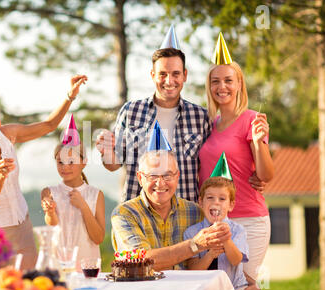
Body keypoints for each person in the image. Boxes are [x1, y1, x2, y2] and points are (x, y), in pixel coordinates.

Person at [95, 27, 264, 204]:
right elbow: (113, 164)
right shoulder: (131, 112)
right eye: (162, 74)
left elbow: (218, 156)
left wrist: (253, 175)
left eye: (176, 74)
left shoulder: (200, 117)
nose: (169, 81)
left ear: (185, 75)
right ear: (153, 76)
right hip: (138, 215)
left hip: (186, 216)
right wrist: (106, 151)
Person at [0, 75, 87, 270]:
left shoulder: (6, 134)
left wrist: (70, 96)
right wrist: (0, 177)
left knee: (30, 285)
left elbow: (49, 125)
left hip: (22, 225)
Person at [199, 33, 274, 290]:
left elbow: (266, 174)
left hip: (249, 219)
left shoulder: (252, 120)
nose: (222, 86)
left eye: (229, 80)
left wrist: (259, 142)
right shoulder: (208, 124)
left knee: (243, 289)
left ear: (239, 83)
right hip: (216, 221)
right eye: (215, 81)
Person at [111, 149, 231, 271]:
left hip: (189, 288)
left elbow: (224, 258)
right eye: (153, 176)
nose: (160, 183)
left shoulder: (195, 212)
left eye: (167, 175)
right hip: (145, 289)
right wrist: (195, 245)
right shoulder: (125, 214)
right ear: (140, 178)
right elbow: (141, 261)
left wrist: (249, 283)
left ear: (177, 177)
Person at [40, 133, 105, 272]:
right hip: (58, 265)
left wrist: (84, 207)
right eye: (60, 162)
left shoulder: (96, 194)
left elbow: (98, 238)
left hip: (88, 267)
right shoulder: (49, 192)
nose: (65, 167)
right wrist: (50, 212)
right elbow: (52, 225)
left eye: (71, 162)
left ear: (84, 162)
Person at [184, 176, 249, 290]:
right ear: (200, 202)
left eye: (222, 199)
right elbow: (193, 269)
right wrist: (210, 255)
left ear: (231, 205)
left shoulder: (238, 231)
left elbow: (236, 260)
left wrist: (225, 238)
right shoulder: (191, 233)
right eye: (210, 198)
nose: (216, 202)